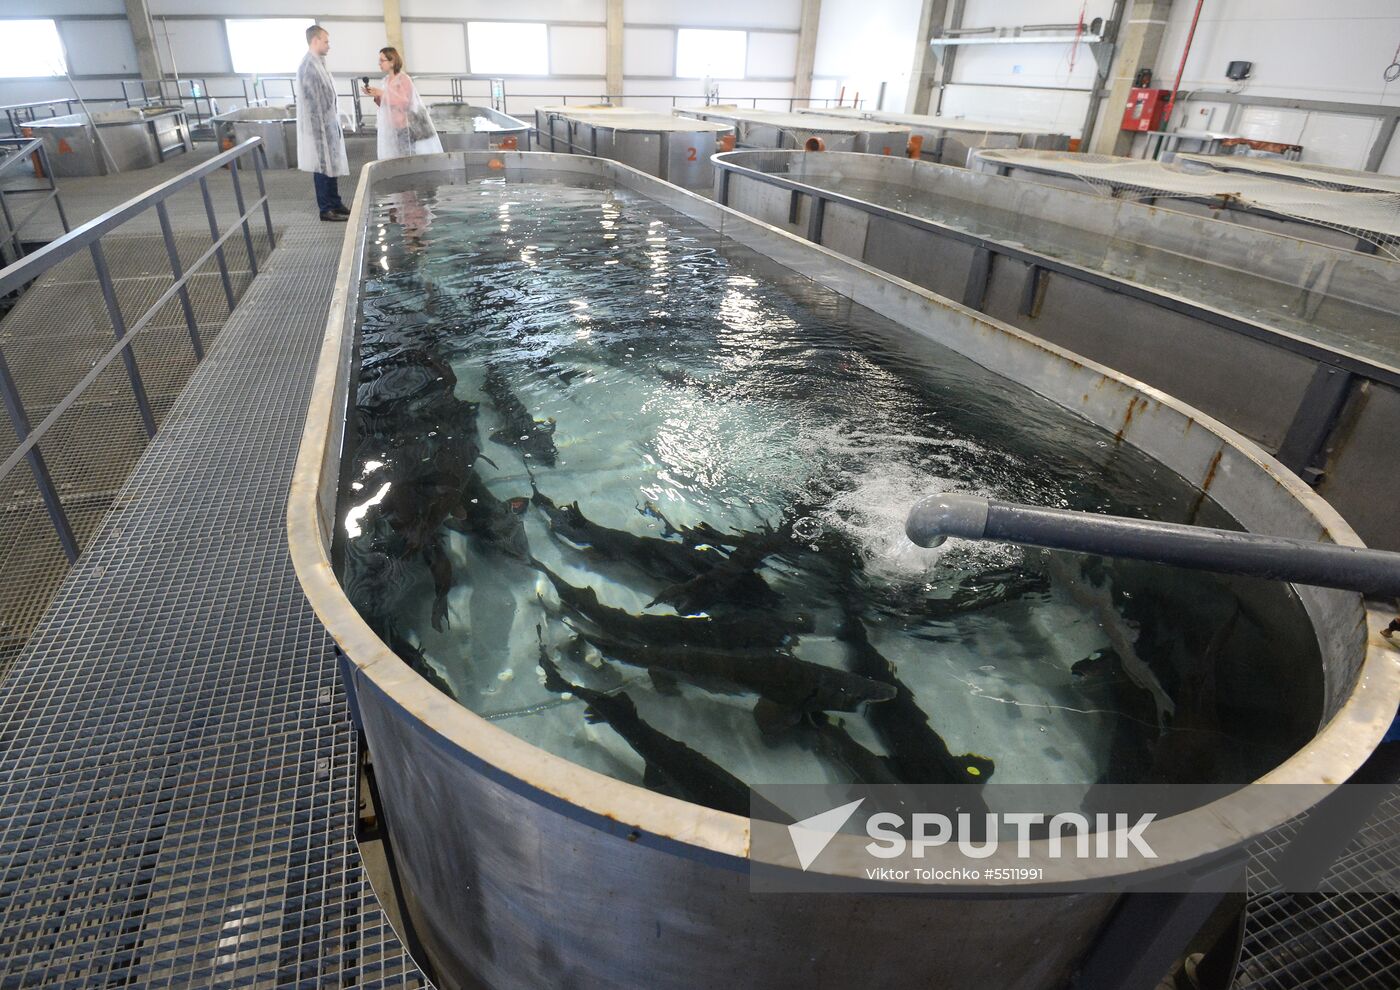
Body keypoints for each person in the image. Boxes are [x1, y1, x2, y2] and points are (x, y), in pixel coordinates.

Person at [296, 25, 349, 222]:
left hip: (327, 124)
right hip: (318, 127)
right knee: (322, 166)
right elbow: (312, 101)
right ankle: (326, 208)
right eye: (326, 41)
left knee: (331, 164)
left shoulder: (319, 63)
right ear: (315, 40)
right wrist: (321, 127)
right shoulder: (309, 66)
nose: (329, 45)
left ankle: (335, 202)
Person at [363, 48, 443, 160]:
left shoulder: (403, 79)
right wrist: (376, 95)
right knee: (394, 158)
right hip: (391, 128)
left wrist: (382, 93)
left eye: (382, 60)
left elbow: (404, 102)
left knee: (407, 158)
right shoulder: (386, 80)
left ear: (392, 62)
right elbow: (385, 104)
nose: (379, 63)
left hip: (404, 127)